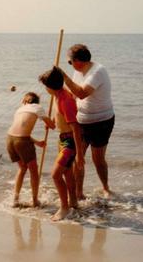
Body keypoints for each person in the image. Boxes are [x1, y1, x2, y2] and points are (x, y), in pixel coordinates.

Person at [56, 44, 114, 199]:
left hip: (101, 121)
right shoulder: (78, 72)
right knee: (78, 157)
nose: (70, 65)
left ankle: (106, 187)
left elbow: (81, 93)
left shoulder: (98, 72)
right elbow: (73, 94)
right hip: (81, 121)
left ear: (78, 61)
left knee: (98, 159)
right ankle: (78, 193)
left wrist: (64, 77)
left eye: (70, 62)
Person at [39, 67, 84, 221]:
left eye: (46, 86)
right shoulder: (58, 96)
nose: (45, 89)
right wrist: (52, 123)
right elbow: (60, 120)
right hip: (62, 138)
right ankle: (73, 202)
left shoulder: (66, 100)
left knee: (56, 174)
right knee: (67, 173)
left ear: (51, 87)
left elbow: (75, 127)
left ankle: (64, 207)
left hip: (70, 142)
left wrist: (79, 155)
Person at [7, 92, 55, 208]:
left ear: (26, 100)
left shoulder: (20, 109)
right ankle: (35, 201)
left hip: (10, 139)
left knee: (23, 168)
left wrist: (37, 142)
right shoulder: (38, 107)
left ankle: (15, 199)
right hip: (22, 141)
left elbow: (19, 132)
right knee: (34, 171)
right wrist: (50, 121)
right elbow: (53, 126)